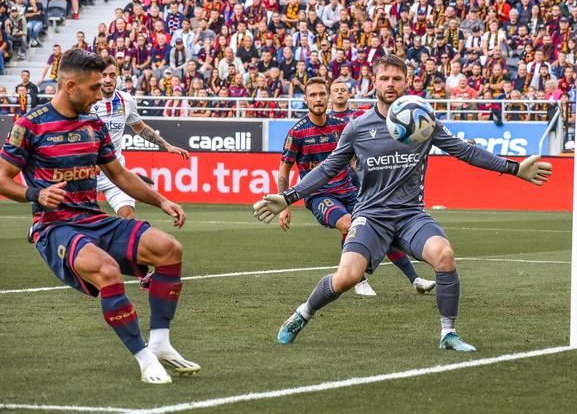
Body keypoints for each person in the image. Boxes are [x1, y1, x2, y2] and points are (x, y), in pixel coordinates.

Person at [254, 55, 553, 350]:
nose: (390, 84)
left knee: (444, 255)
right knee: (348, 276)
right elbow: (329, 167)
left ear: (406, 82)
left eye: (397, 78)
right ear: (374, 82)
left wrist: (514, 168)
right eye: (384, 78)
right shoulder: (357, 128)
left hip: (411, 215)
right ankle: (302, 313)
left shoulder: (423, 119)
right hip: (370, 216)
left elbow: (465, 151)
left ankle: (448, 333)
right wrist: (288, 196)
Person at [0, 49, 199, 383]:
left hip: (94, 219)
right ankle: (145, 359)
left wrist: (161, 201)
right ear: (71, 86)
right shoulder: (30, 125)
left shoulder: (93, 124)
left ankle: (161, 343)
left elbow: (119, 175)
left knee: (169, 249)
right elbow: (3, 178)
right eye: (94, 88)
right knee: (107, 271)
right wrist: (35, 194)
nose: (100, 94)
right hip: (55, 227)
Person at [278, 77, 436, 297]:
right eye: (313, 95)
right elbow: (284, 170)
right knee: (348, 224)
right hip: (320, 195)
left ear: (328, 97)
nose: (318, 99)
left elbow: (354, 160)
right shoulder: (297, 132)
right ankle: (358, 280)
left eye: (322, 94)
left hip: (350, 191)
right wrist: (284, 204)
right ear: (305, 100)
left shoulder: (342, 127)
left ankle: (415, 279)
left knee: (382, 228)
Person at [92, 56, 190, 219]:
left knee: (128, 217)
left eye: (112, 75)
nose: (108, 80)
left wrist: (167, 146)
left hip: (116, 173)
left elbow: (141, 128)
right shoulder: (87, 101)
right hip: (87, 174)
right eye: (104, 75)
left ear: (118, 76)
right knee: (75, 221)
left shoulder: (126, 100)